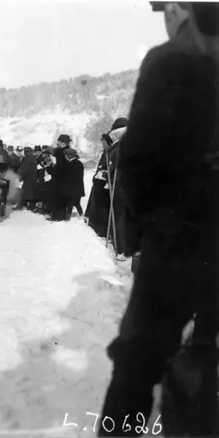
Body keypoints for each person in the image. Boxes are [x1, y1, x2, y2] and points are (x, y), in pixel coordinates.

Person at [98, 2, 219, 436]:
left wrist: (152, 223)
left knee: (138, 358)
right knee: (206, 352)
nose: (166, 20)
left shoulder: (173, 58)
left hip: (179, 239)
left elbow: (138, 157)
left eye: (166, 9)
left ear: (181, 9)